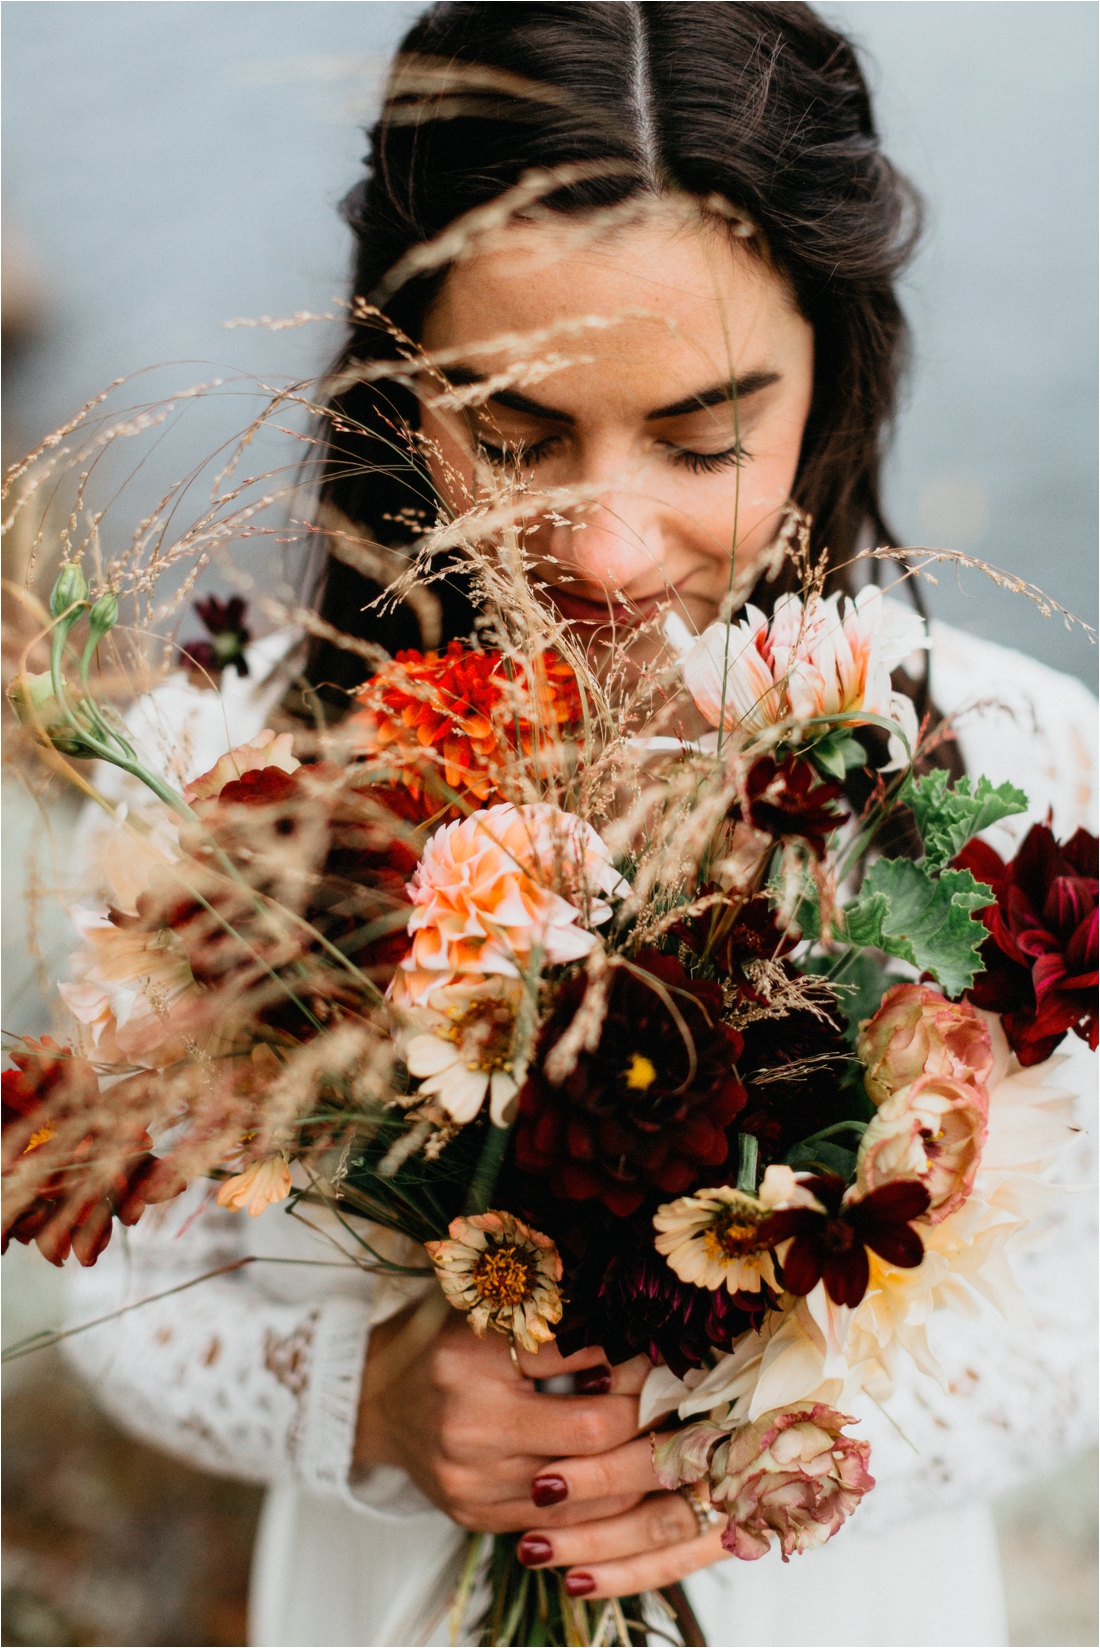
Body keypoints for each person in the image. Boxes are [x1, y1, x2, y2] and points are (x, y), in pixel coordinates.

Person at [64, 6, 1097, 1646]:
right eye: (519, 435)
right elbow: (108, 1281)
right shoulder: (221, 771)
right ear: (399, 386)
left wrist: (801, 1458)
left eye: (703, 438)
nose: (608, 550)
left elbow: (1083, 1320)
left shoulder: (1033, 771)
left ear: (835, 373)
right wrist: (363, 1407)